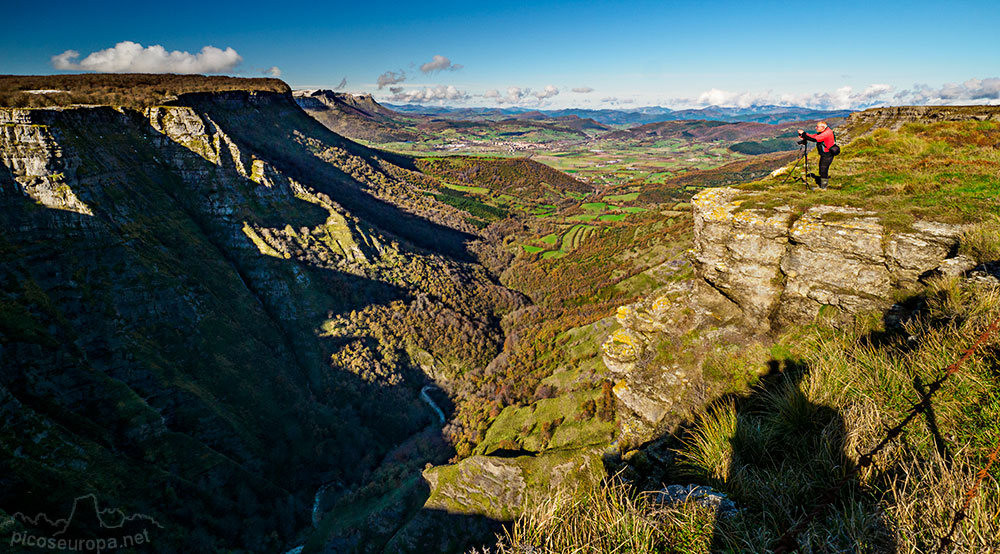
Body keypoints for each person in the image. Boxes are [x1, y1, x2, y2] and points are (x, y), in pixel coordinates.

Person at [797, 121, 837, 189]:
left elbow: (814, 139)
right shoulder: (825, 131)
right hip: (825, 153)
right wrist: (805, 135)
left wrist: (803, 134)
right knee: (822, 168)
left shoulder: (826, 133)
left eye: (817, 127)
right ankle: (823, 185)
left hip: (827, 154)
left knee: (823, 169)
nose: (816, 128)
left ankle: (823, 187)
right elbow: (814, 136)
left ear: (822, 127)